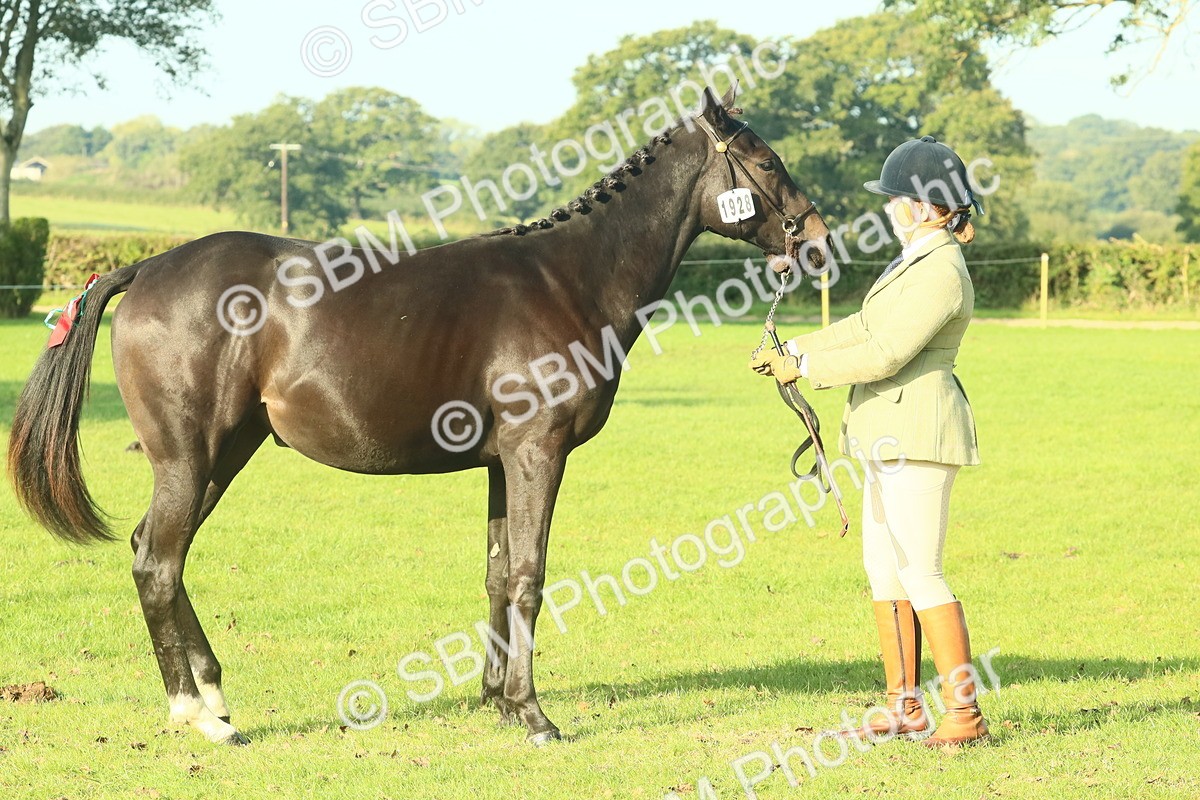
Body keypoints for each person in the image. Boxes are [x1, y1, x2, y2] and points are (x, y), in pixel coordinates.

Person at [750, 135, 989, 747]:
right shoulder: (913, 259)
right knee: (884, 570)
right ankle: (904, 706)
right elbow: (863, 326)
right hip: (886, 435)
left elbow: (886, 352)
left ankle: (963, 715)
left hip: (920, 433)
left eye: (894, 197)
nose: (887, 207)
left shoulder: (941, 270)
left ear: (924, 205)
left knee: (922, 572)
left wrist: (804, 369)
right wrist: (794, 347)